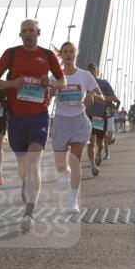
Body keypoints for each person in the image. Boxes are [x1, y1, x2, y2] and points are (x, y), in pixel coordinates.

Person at [0, 19, 65, 232]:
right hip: (16, 119)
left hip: (39, 117)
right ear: (20, 34)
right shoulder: (11, 54)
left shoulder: (48, 56)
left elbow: (62, 82)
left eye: (31, 30)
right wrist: (12, 84)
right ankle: (26, 183)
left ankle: (29, 214)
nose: (28, 34)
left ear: (38, 33)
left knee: (33, 163)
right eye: (24, 31)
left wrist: (51, 83)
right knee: (24, 167)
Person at [48, 42, 103, 213]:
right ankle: (65, 173)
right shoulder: (54, 77)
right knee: (60, 166)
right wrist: (50, 93)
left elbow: (101, 96)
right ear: (61, 55)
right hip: (61, 122)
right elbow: (47, 99)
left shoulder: (85, 75)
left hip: (79, 122)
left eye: (71, 51)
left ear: (75, 54)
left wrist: (92, 96)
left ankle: (73, 202)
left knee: (75, 161)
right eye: (65, 52)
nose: (68, 54)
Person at [85, 63, 119, 176]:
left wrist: (98, 97)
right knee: (91, 142)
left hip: (99, 116)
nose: (92, 72)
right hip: (87, 116)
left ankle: (99, 152)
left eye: (94, 70)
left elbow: (114, 98)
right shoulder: (84, 83)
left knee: (100, 143)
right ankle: (93, 166)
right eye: (89, 70)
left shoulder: (104, 83)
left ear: (98, 72)